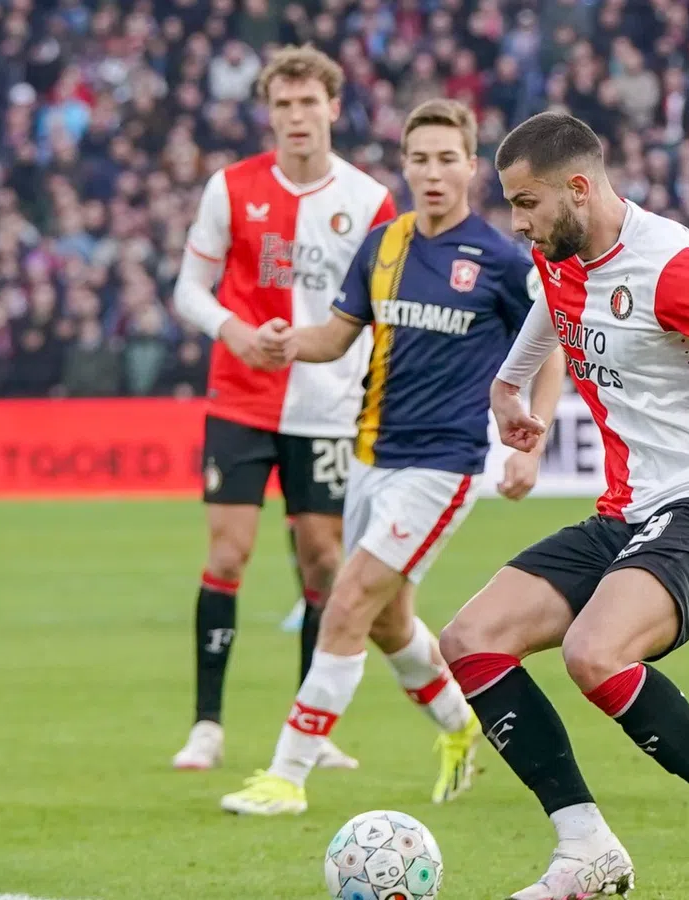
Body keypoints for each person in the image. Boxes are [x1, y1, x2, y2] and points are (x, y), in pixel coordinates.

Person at [437, 112, 689, 900]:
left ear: (578, 188)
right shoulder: (560, 255)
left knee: (595, 652)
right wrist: (508, 387)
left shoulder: (675, 268)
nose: (516, 223)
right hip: (626, 513)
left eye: (526, 203)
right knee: (470, 639)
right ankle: (584, 846)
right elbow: (552, 316)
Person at [218, 99, 564, 816]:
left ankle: (287, 775)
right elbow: (338, 336)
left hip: (443, 467)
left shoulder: (500, 260)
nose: (433, 173)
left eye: (447, 159)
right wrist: (285, 341)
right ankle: (463, 727)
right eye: (420, 159)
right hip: (371, 457)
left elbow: (551, 341)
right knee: (387, 620)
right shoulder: (384, 246)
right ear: (403, 165)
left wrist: (535, 436)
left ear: (471, 167)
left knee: (345, 601)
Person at [169, 45, 397, 771]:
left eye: (308, 104)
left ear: (333, 108)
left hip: (328, 405)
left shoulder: (368, 201)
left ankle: (311, 725)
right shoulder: (230, 188)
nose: (296, 117)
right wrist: (234, 331)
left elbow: (382, 306)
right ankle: (207, 724)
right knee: (228, 551)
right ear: (268, 113)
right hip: (241, 396)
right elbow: (188, 290)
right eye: (283, 105)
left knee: (324, 562)